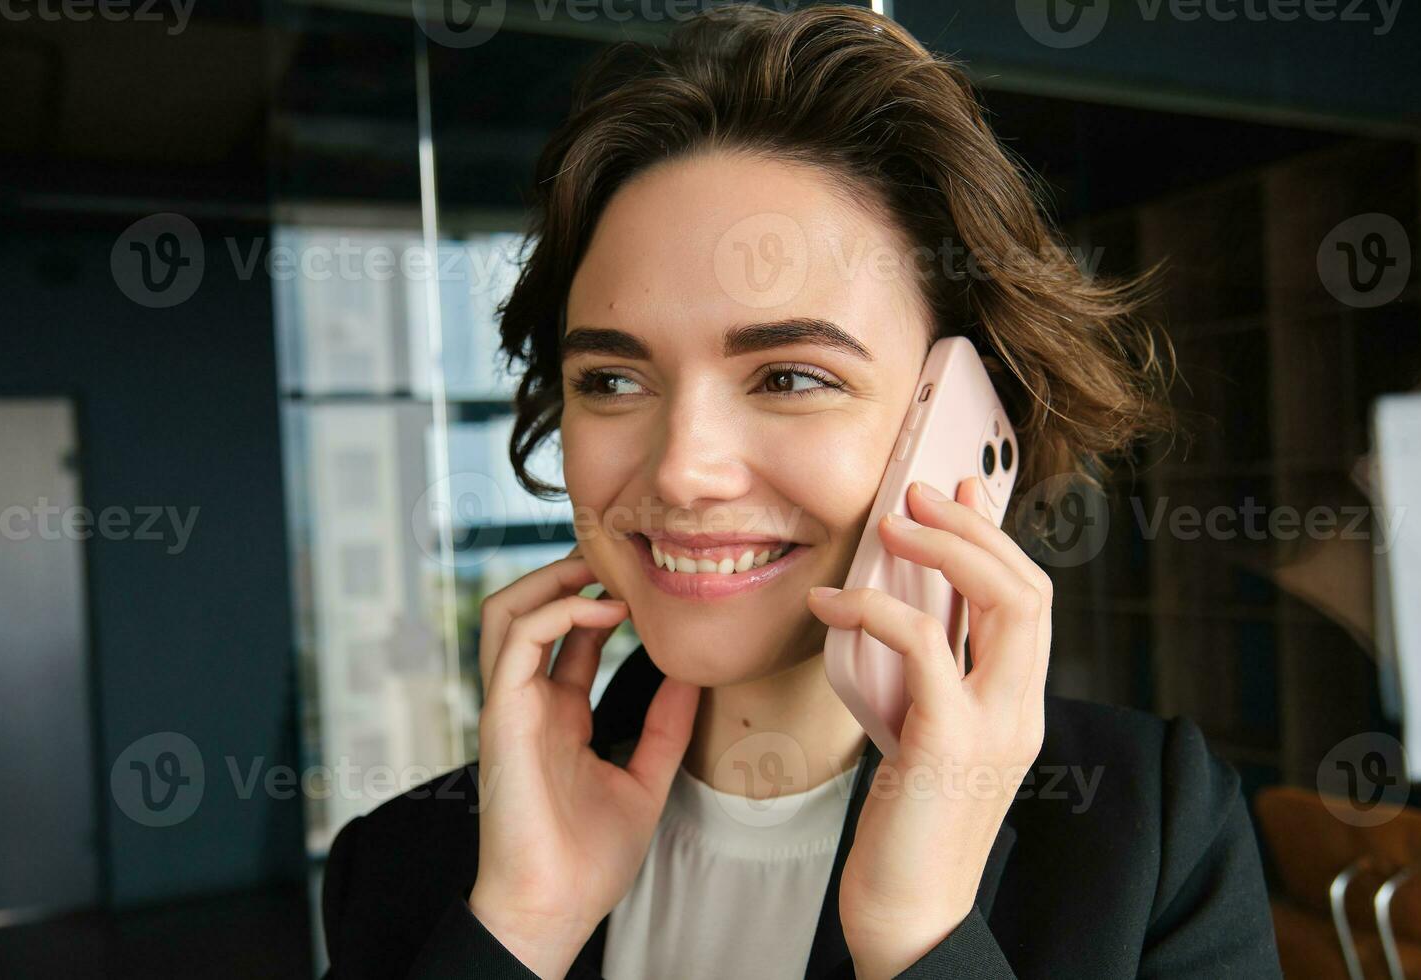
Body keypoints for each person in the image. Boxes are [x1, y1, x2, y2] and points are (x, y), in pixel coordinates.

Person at [322, 6, 1279, 978]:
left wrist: (920, 937)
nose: (681, 470)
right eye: (611, 380)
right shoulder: (407, 863)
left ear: (959, 413)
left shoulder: (1145, 832)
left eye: (787, 377)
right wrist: (518, 928)